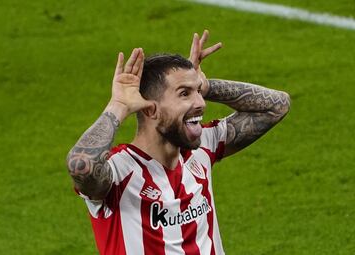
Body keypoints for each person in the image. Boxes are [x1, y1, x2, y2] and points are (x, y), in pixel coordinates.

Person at [66, 30, 290, 255]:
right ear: (150, 108)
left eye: (198, 92)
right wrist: (118, 106)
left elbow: (276, 105)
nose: (201, 102)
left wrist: (207, 85)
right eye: (185, 94)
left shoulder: (202, 147)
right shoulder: (119, 173)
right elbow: (82, 165)